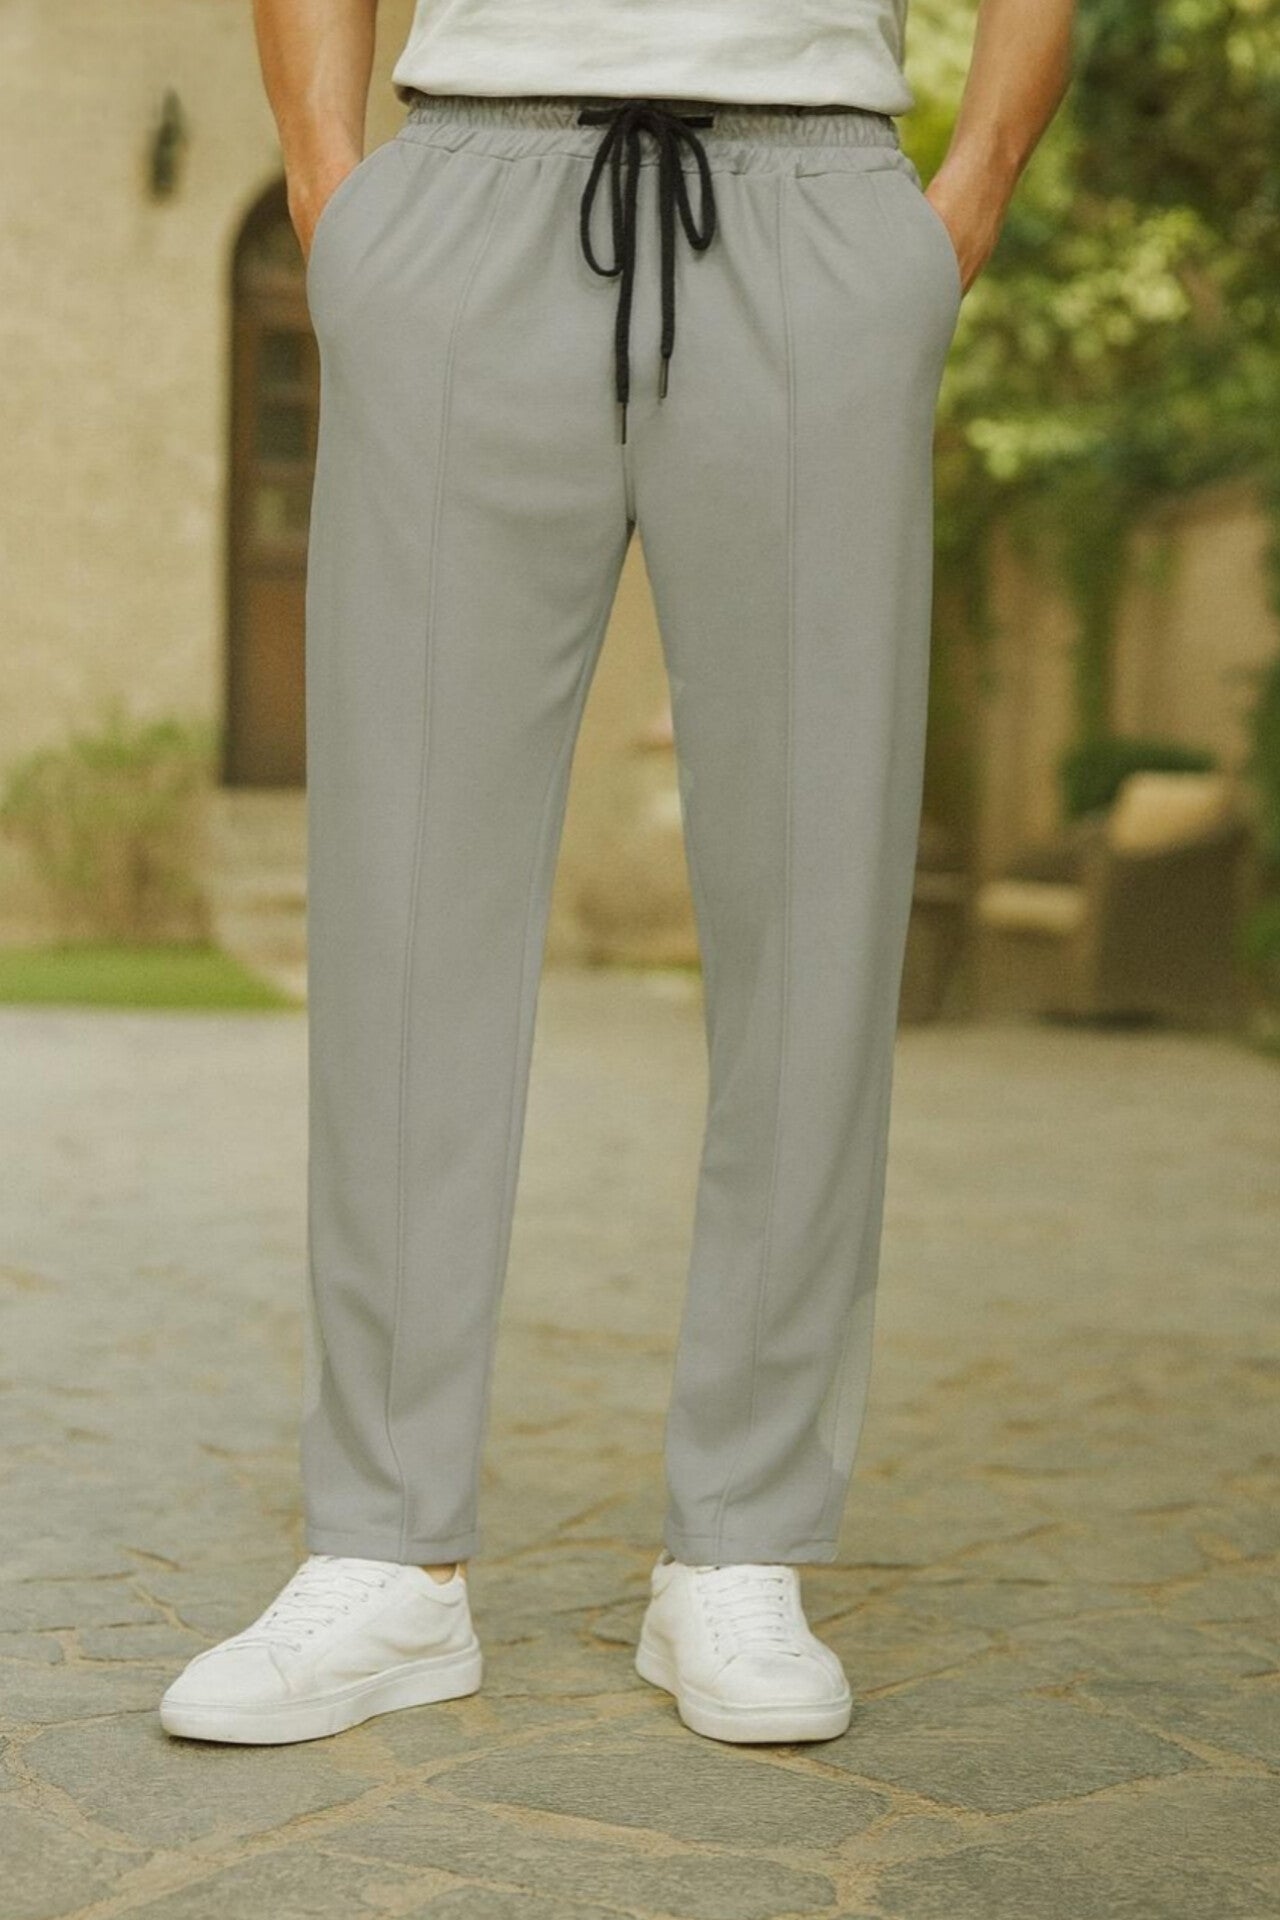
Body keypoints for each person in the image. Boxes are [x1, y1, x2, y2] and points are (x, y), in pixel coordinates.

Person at [160, 0, 1076, 1748]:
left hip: (815, 205)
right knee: (403, 907)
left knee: (816, 912)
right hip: (468, 185)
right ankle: (384, 1551)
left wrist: (961, 204)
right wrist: (334, 192)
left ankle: (741, 1542)